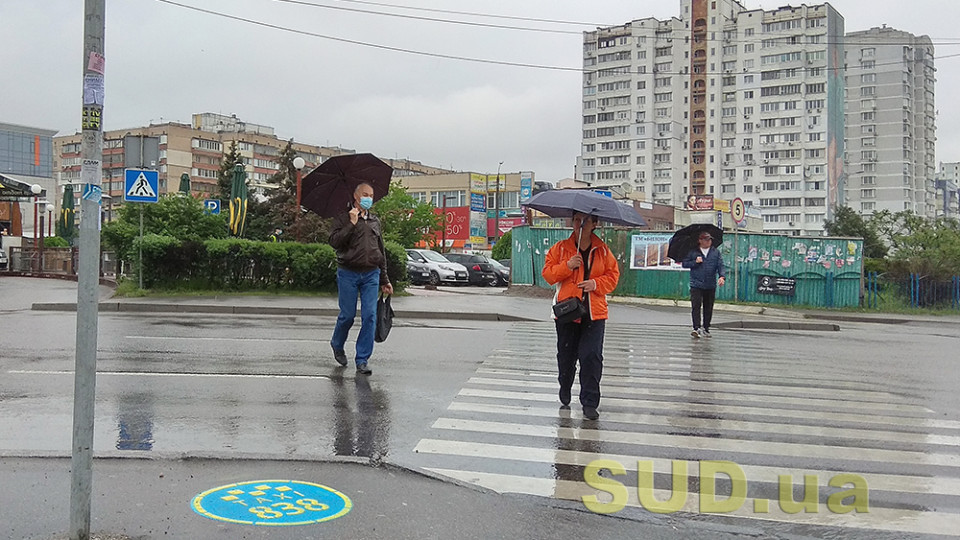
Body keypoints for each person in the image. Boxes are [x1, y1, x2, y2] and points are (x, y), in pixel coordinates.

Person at [542, 212, 620, 420]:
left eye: (585, 221)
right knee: (566, 357)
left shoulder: (603, 250)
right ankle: (565, 385)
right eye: (577, 220)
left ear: (595, 223)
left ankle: (590, 402)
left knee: (591, 356)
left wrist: (595, 284)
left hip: (594, 312)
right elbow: (548, 275)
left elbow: (613, 277)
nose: (580, 224)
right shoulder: (560, 249)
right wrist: (567, 266)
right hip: (568, 311)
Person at [328, 182, 393, 375]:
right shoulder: (342, 217)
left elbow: (380, 251)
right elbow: (334, 242)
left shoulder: (375, 221)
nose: (369, 198)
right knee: (347, 316)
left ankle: (362, 359)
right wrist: (351, 223)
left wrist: (385, 279)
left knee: (370, 316)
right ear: (356, 196)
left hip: (371, 274)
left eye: (371, 195)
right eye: (365, 194)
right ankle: (337, 344)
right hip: (348, 272)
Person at [682, 231, 726, 338]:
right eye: (706, 239)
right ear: (700, 241)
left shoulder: (715, 252)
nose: (708, 242)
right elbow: (685, 264)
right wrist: (695, 262)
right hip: (696, 284)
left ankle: (706, 328)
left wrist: (722, 276)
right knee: (696, 306)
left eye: (710, 239)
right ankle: (696, 328)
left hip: (710, 284)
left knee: (708, 307)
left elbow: (720, 265)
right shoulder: (693, 252)